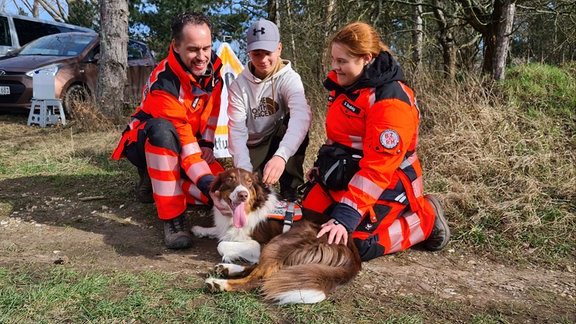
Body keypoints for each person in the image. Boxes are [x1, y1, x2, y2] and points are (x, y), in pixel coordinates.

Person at [301, 22, 450, 261]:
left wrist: (346, 215)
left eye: (342, 61)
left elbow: (379, 166)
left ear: (366, 58)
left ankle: (425, 219)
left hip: (389, 178)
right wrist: (321, 168)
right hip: (349, 170)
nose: (334, 67)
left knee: (353, 244)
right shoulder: (344, 87)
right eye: (333, 59)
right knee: (308, 219)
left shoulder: (390, 101)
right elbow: (336, 138)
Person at [111, 12, 224, 249]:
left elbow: (213, 109)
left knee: (216, 197)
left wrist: (207, 143)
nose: (202, 56)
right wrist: (207, 182)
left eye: (207, 48)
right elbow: (182, 138)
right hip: (149, 141)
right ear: (176, 46)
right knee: (164, 132)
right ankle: (173, 218)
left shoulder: (214, 67)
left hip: (190, 141)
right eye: (193, 49)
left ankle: (156, 184)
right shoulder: (164, 84)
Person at [227, 19, 311, 202]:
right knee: (257, 193)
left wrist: (281, 156)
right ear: (248, 52)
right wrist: (244, 170)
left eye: (268, 53)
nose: (263, 60)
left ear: (279, 48)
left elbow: (301, 116)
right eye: (257, 54)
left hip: (276, 139)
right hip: (252, 146)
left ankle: (291, 189)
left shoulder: (290, 78)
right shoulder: (237, 86)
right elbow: (236, 130)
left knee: (294, 121)